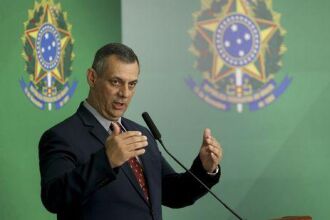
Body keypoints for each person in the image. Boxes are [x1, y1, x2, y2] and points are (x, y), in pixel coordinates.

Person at [39, 43, 223, 220]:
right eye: (116, 82)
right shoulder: (62, 137)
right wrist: (107, 160)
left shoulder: (140, 133)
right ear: (92, 78)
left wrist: (205, 169)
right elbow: (54, 198)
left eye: (132, 84)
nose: (125, 93)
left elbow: (173, 193)